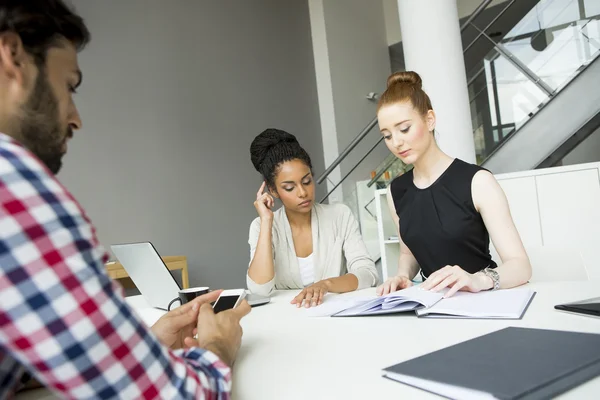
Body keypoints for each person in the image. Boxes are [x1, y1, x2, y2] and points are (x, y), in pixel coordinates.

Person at [0, 1, 250, 398]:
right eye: (69, 86)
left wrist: (139, 344)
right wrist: (219, 345)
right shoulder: (12, 183)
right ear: (11, 54)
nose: (76, 118)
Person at [375, 71, 532, 298]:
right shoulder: (396, 191)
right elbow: (409, 254)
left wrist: (477, 280)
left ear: (430, 120)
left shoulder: (478, 181)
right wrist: (402, 275)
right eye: (387, 136)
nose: (396, 142)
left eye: (404, 129)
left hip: (483, 299)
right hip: (431, 304)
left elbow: (520, 266)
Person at [247, 128, 378, 307]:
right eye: (289, 187)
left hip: (334, 314)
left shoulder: (339, 215)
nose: (303, 192)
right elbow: (259, 290)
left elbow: (367, 273)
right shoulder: (260, 226)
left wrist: (326, 285)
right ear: (273, 190)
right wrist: (267, 221)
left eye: (307, 181)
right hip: (286, 318)